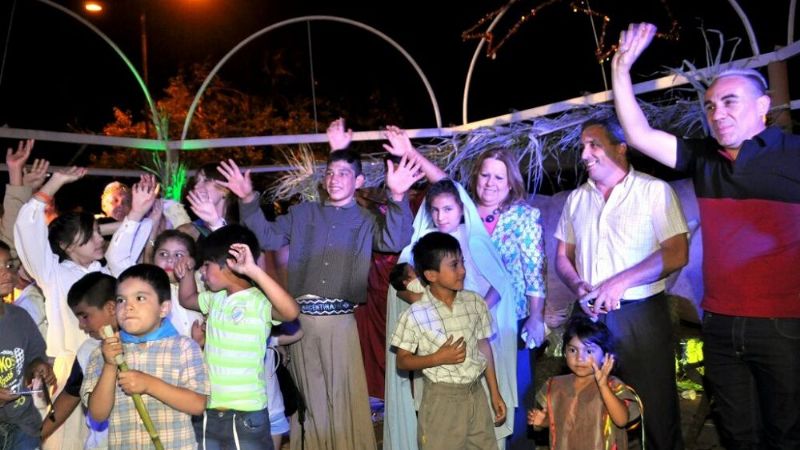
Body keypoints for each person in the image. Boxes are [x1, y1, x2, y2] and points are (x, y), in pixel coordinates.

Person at [611, 22, 800, 449]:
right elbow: (639, 135)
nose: (717, 113)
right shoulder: (705, 159)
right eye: (711, 106)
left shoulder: (794, 156)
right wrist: (621, 72)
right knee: (737, 434)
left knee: (786, 434)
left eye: (730, 102)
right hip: (719, 324)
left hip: (785, 327)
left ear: (763, 106)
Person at [217, 140, 421, 449]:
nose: (335, 178)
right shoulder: (303, 213)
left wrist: (397, 195)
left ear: (359, 181)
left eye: (343, 173)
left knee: (341, 398)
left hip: (341, 325)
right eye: (330, 172)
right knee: (308, 401)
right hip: (300, 324)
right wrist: (247, 198)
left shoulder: (367, 220)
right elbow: (268, 237)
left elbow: (395, 239)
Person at [554, 117, 689, 449]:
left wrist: (620, 283)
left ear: (621, 147)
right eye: (582, 146)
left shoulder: (654, 190)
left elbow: (676, 253)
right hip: (587, 316)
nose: (585, 153)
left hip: (641, 315)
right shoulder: (576, 199)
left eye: (594, 144)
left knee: (653, 407)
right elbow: (562, 257)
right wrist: (577, 285)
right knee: (586, 405)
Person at [384, 178, 516, 450]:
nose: (440, 216)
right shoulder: (419, 247)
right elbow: (403, 290)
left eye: (447, 209)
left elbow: (498, 284)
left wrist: (472, 313)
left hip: (473, 346)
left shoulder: (475, 241)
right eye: (434, 210)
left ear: (461, 208)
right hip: (436, 355)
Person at [177, 224, 299, 449]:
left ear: (230, 264)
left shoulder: (257, 301)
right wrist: (186, 274)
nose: (202, 273)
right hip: (210, 408)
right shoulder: (215, 298)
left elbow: (291, 312)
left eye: (206, 265)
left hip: (246, 412)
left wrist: (253, 271)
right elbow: (187, 299)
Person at [14, 170, 156, 358]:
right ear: (65, 244)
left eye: (99, 232)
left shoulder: (107, 272)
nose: (99, 239)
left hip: (111, 365)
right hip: (70, 373)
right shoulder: (53, 273)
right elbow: (28, 228)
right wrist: (55, 182)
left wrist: (137, 211)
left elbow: (119, 253)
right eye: (91, 234)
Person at [466, 148, 547, 447]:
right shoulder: (463, 213)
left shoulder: (524, 216)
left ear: (511, 182)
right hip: (469, 317)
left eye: (498, 176)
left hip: (511, 321)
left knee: (515, 394)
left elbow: (534, 270)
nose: (490, 182)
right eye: (485, 175)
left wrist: (537, 316)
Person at [82, 264, 209, 449]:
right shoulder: (104, 351)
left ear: (164, 308)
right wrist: (110, 365)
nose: (128, 307)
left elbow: (197, 404)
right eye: (121, 300)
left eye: (140, 298)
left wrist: (149, 384)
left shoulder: (184, 347)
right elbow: (98, 414)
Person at [527, 317, 641, 450]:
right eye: (573, 350)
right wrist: (544, 421)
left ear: (605, 356)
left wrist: (603, 386)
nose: (580, 358)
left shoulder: (612, 385)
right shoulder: (556, 385)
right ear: (565, 352)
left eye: (589, 351)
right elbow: (561, 422)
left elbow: (621, 420)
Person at [41, 272, 120, 449]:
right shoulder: (88, 350)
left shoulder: (142, 342)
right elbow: (70, 396)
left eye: (84, 316)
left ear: (111, 308)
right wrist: (38, 435)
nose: (81, 325)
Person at [150, 229, 204, 339]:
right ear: (153, 258)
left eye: (179, 255)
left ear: (192, 259)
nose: (170, 260)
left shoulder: (203, 280)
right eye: (163, 254)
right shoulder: (149, 290)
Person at [178, 162, 239, 242]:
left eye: (206, 180)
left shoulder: (240, 231)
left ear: (224, 190)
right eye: (196, 182)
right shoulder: (186, 232)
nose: (196, 186)